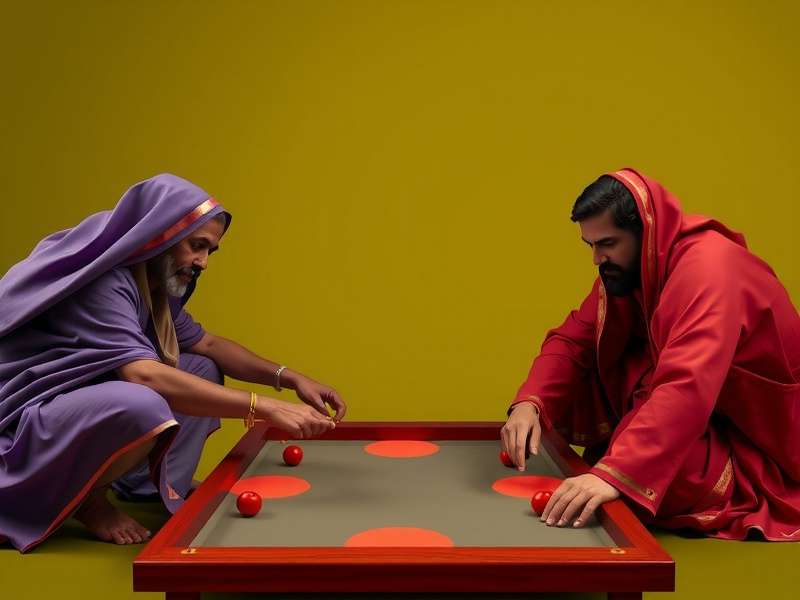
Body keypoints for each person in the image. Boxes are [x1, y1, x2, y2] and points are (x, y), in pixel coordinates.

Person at [0, 174, 346, 552]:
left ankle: (149, 486)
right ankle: (88, 502)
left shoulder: (153, 287)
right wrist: (263, 407)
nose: (203, 263)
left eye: (210, 251)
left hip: (73, 411)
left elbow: (207, 344)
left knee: (201, 369)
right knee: (143, 401)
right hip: (24, 427)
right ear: (159, 234)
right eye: (197, 246)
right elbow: (143, 375)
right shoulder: (106, 283)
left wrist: (290, 378)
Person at [501, 168, 800, 541]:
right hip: (704, 409)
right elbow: (575, 339)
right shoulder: (637, 266)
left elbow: (686, 385)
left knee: (655, 480)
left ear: (646, 230)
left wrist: (614, 475)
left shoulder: (709, 271)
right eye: (590, 245)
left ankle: (744, 486)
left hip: (760, 432)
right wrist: (531, 403)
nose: (597, 258)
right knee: (604, 362)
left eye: (607, 243)